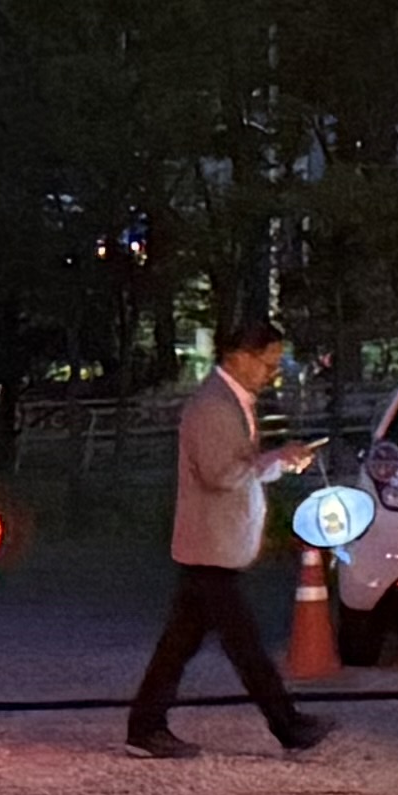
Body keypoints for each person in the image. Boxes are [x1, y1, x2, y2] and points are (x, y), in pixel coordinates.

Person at [128, 322, 322, 759]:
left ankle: (145, 726)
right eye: (268, 362)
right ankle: (286, 724)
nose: (271, 372)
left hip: (211, 545)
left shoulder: (227, 402)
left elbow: (236, 469)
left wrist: (277, 461)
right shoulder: (214, 406)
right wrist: (274, 458)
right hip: (211, 546)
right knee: (244, 644)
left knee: (182, 642)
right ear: (239, 356)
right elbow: (221, 474)